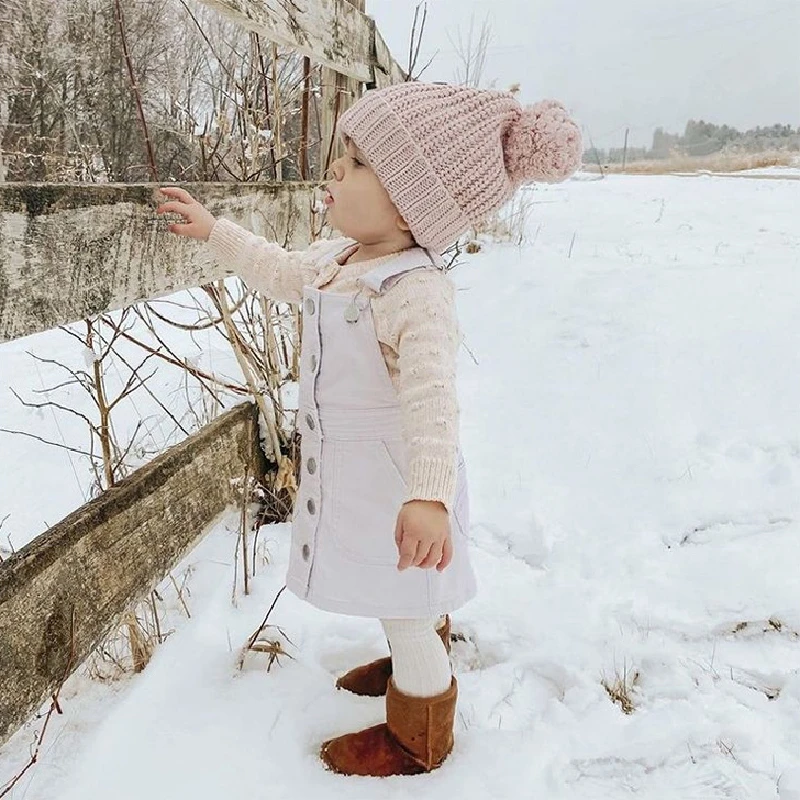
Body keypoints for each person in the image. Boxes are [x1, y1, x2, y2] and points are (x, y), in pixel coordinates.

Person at [156, 80, 582, 777]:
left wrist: (429, 496)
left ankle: (420, 728)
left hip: (399, 485)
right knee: (400, 590)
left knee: (405, 594)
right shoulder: (339, 262)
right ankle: (418, 641)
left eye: (355, 164)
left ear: (411, 202)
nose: (335, 172)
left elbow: (433, 404)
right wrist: (217, 232)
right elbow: (280, 270)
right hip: (357, 476)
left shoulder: (414, 292)